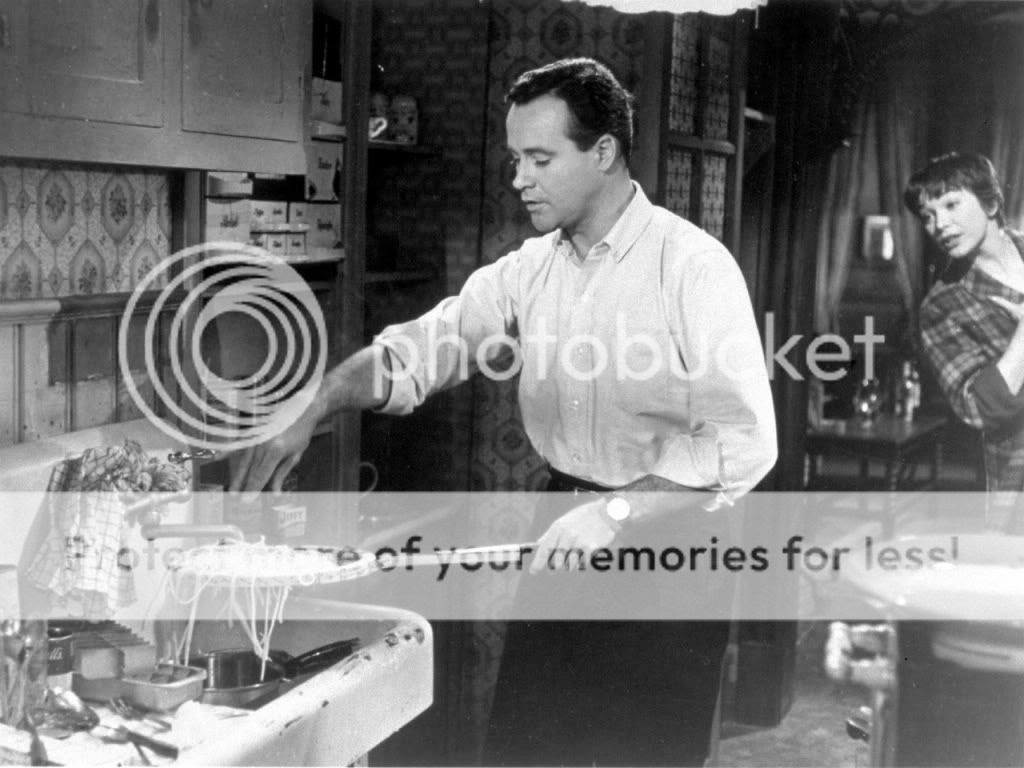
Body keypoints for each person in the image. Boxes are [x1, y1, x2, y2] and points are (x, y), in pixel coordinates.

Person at [230, 57, 776, 766]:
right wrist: (316, 401)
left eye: (540, 159)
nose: (519, 178)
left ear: (603, 152)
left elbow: (742, 439)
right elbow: (429, 345)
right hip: (561, 532)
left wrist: (616, 512)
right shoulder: (529, 268)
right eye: (516, 158)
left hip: (672, 553)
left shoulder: (695, 267)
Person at [906, 153, 1024, 528]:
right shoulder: (942, 307)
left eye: (951, 204)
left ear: (990, 203)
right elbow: (978, 408)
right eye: (927, 215)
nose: (939, 224)